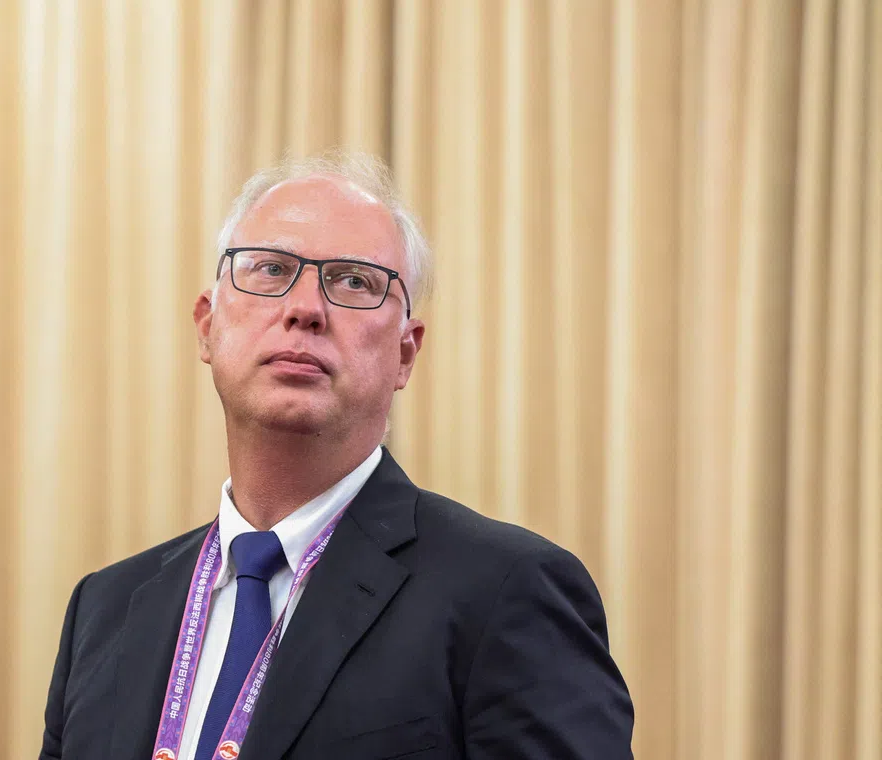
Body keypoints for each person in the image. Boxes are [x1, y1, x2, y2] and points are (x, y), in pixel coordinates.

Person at [39, 151, 634, 760]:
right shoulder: (105, 610)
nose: (305, 308)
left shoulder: (506, 593)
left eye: (354, 281)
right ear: (206, 327)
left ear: (405, 354)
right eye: (270, 269)